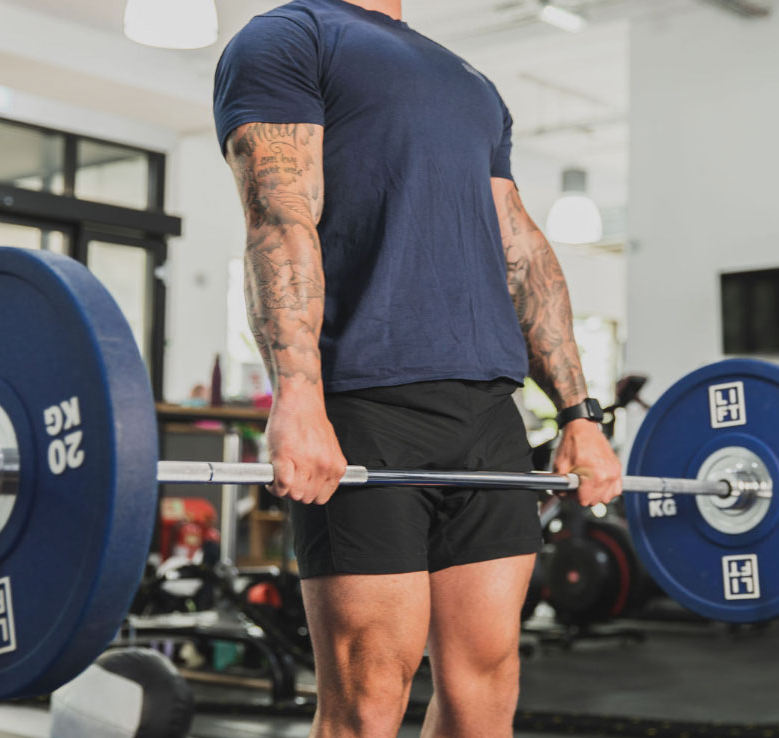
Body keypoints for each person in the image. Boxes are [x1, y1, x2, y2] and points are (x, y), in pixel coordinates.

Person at [213, 1, 623, 736]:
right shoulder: (291, 36)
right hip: (366, 406)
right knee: (369, 697)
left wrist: (578, 413)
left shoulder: (470, 82)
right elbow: (279, 215)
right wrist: (299, 394)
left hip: (488, 417)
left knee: (484, 689)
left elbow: (520, 250)